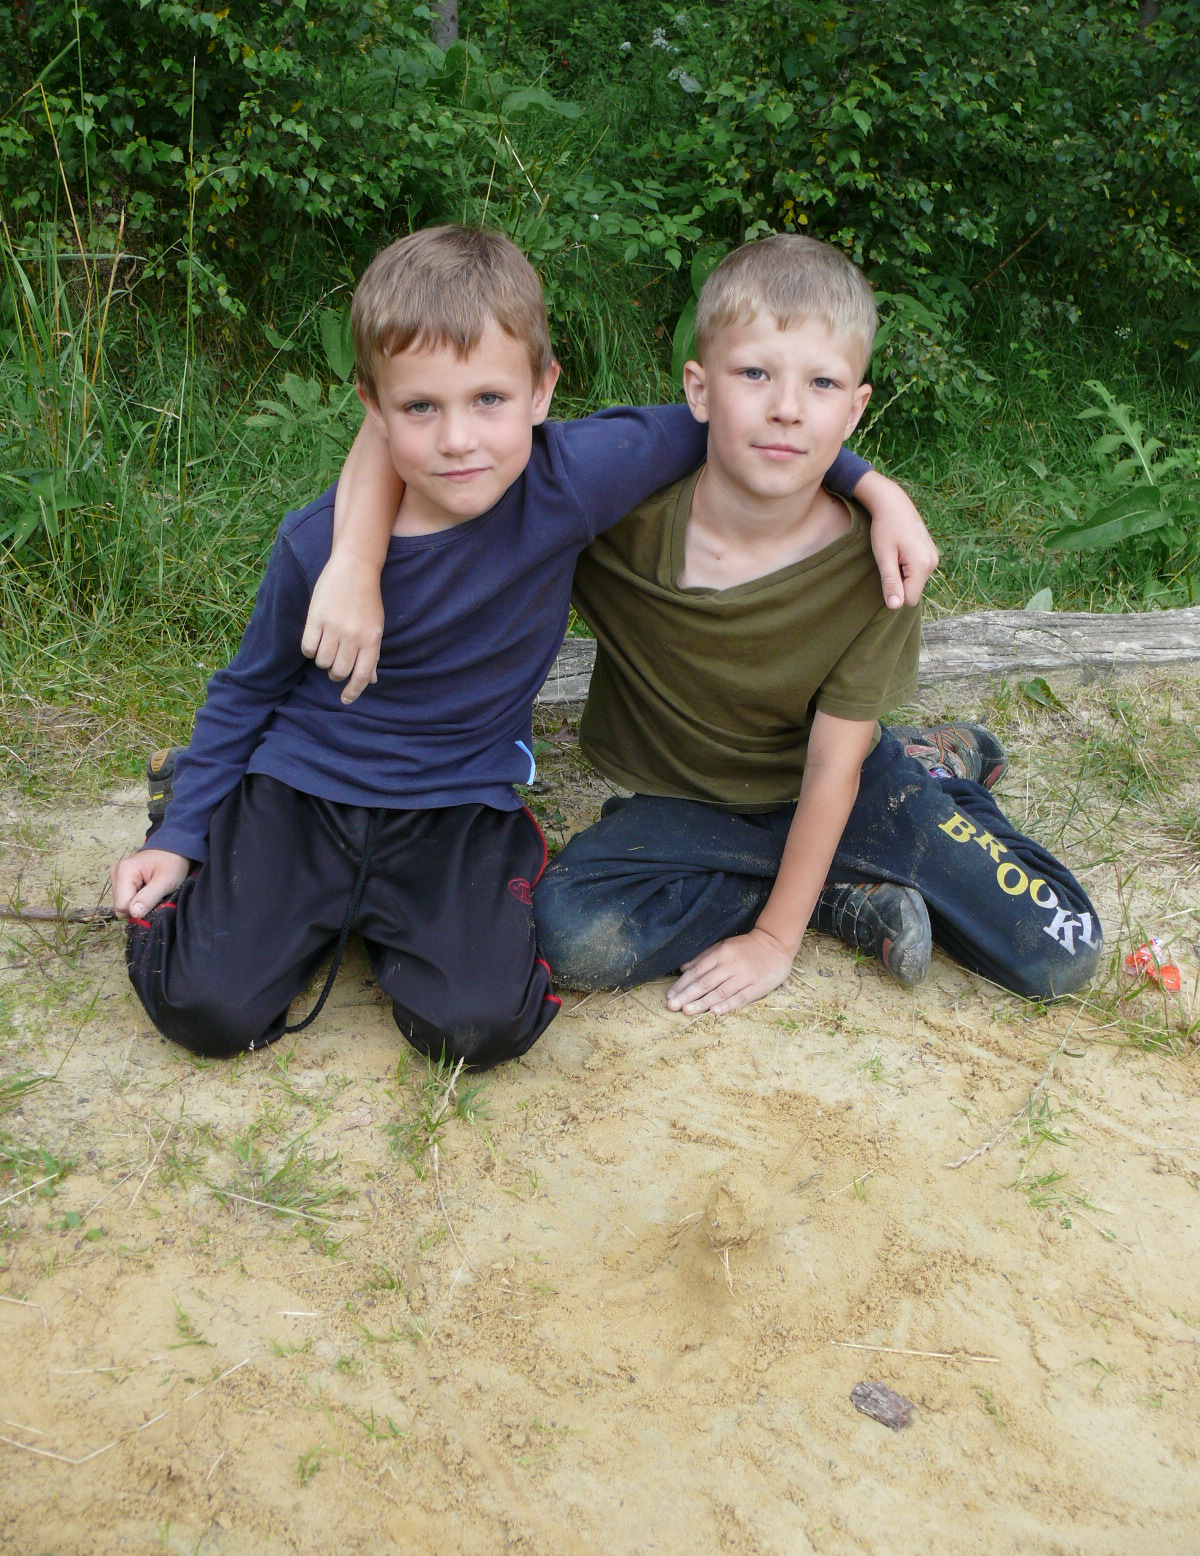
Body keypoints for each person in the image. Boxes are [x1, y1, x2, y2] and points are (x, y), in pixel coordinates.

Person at [110, 226, 936, 1067]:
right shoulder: (317, 547)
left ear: (543, 391)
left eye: (488, 401)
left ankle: (388, 918)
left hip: (458, 803)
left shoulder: (570, 481)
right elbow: (247, 690)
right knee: (208, 1011)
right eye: (421, 408)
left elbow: (754, 425)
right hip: (303, 788)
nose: (458, 439)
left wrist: (877, 490)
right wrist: (180, 836)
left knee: (479, 1028)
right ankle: (200, 815)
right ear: (375, 409)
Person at [531, 235, 1103, 1013]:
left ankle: (933, 774)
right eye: (754, 373)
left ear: (855, 408)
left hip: (846, 784)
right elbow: (484, 472)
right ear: (699, 388)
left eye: (822, 382)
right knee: (570, 934)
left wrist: (775, 941)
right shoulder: (618, 517)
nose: (787, 407)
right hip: (689, 806)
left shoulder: (879, 563)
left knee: (1060, 949)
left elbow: (834, 769)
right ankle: (837, 894)